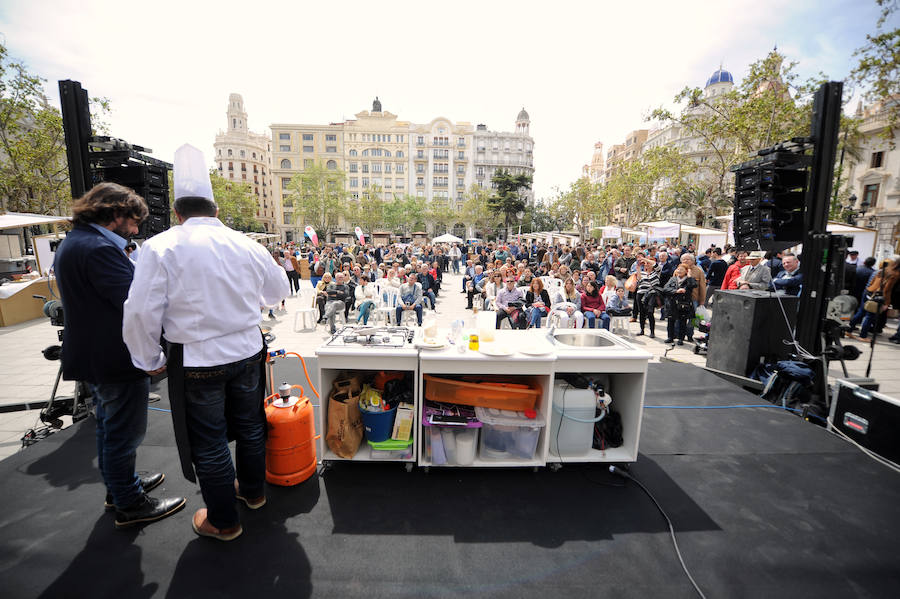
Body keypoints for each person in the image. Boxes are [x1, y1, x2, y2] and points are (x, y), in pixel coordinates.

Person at [123, 144, 289, 541]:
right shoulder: (248, 244)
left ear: (177, 213)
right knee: (250, 426)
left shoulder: (161, 246)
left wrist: (147, 358)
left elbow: (140, 311)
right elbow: (277, 291)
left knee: (210, 440)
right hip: (248, 350)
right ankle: (252, 493)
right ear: (216, 211)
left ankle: (224, 522)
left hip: (197, 360)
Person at [54, 182, 185, 530]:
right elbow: (134, 303)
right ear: (114, 214)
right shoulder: (97, 249)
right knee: (122, 433)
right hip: (113, 357)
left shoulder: (78, 242)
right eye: (133, 220)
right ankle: (129, 501)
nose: (137, 228)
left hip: (97, 354)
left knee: (111, 429)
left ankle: (121, 486)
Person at [663, 264, 698, 345]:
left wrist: (689, 276)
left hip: (684, 304)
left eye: (682, 270)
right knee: (670, 321)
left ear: (686, 271)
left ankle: (681, 339)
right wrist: (676, 291)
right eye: (678, 269)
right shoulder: (673, 279)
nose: (679, 271)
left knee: (683, 322)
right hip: (672, 304)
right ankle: (670, 337)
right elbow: (665, 289)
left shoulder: (689, 280)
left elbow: (693, 285)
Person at [635, 257, 661, 338]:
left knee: (650, 313)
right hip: (641, 294)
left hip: (651, 295)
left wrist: (644, 259)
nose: (647, 265)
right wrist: (638, 268)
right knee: (642, 313)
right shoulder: (642, 273)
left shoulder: (656, 272)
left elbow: (655, 265)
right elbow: (639, 279)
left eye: (649, 264)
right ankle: (642, 330)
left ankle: (652, 332)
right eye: (646, 264)